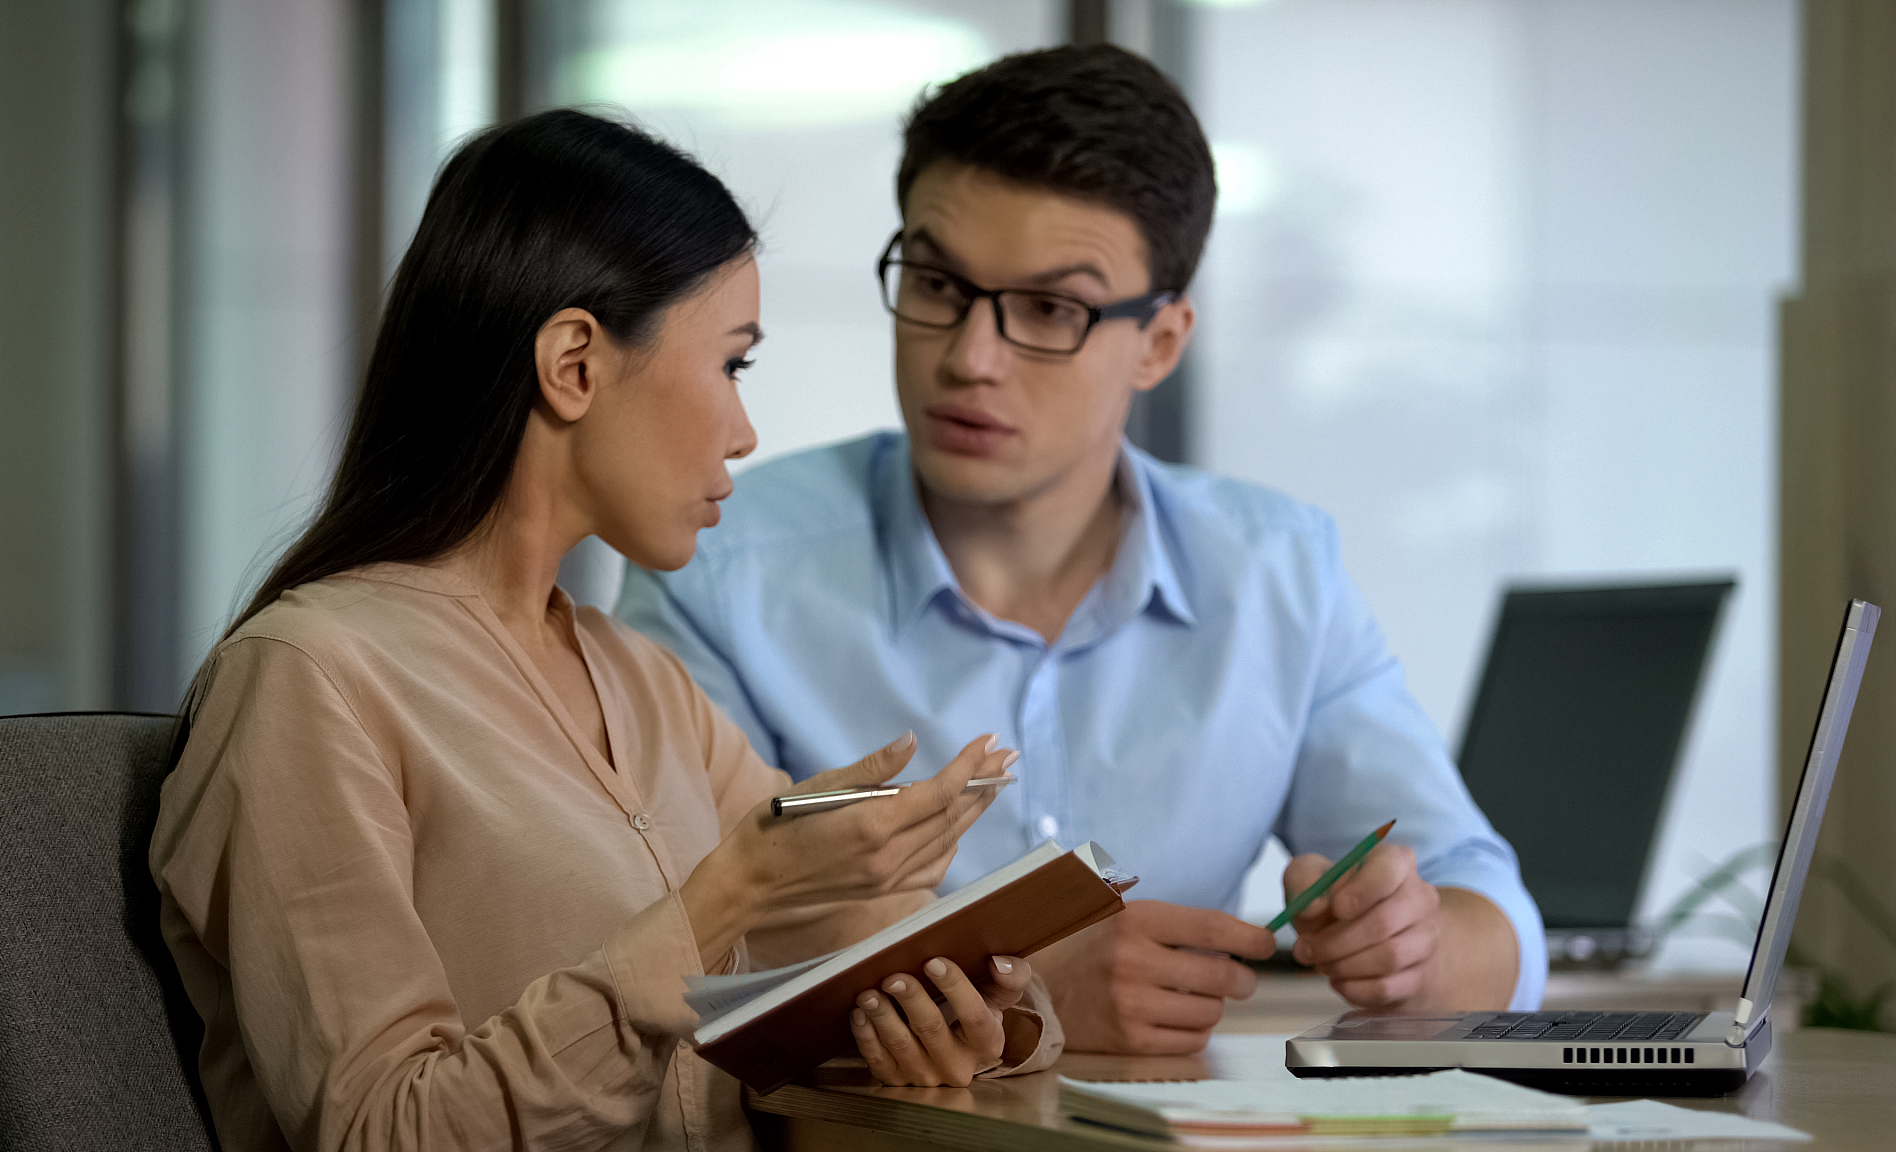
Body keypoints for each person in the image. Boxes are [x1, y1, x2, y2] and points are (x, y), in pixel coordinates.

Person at [151, 110, 1063, 1152]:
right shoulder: (309, 680)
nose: (744, 429)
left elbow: (856, 970)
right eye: (732, 364)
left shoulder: (644, 684)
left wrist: (967, 1010)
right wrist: (727, 895)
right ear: (574, 364)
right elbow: (385, 1132)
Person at [614, 44, 1547, 1057]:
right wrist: (1021, 989)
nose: (969, 357)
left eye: (1050, 309)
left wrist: (1413, 948)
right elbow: (660, 937)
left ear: (1159, 342)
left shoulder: (1277, 572)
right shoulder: (721, 561)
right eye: (934, 283)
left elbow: (1475, 889)